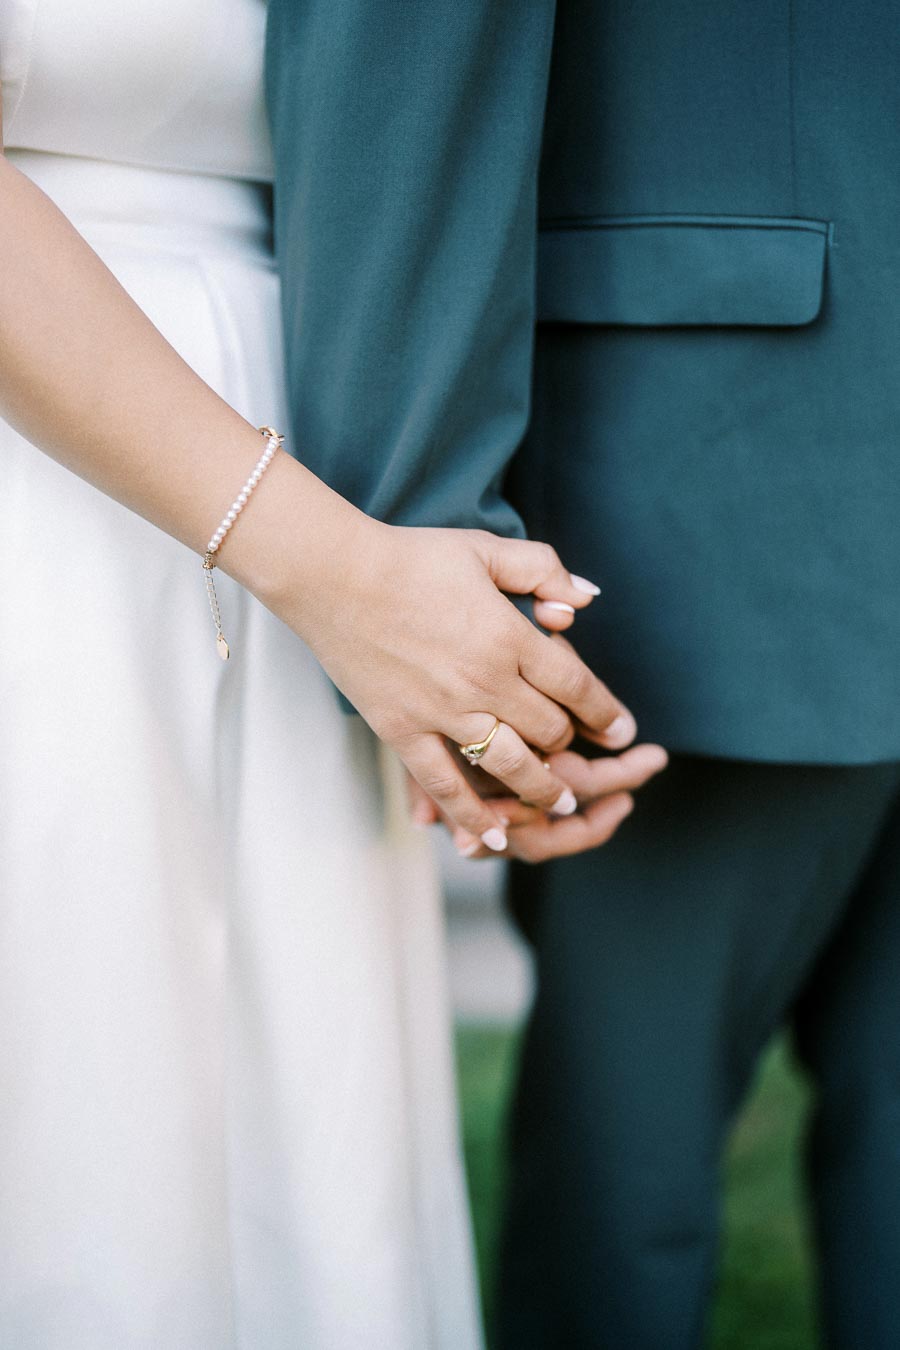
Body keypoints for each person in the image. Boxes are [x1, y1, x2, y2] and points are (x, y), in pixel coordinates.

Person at [0, 1, 667, 1346]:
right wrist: (343, 580)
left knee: (301, 1156)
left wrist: (464, 650)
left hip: (331, 482)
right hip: (54, 489)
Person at [266, 3, 900, 1348]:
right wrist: (420, 572)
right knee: (630, 1202)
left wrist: (412, 529)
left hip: (712, 485)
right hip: (709, 510)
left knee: (630, 1201)